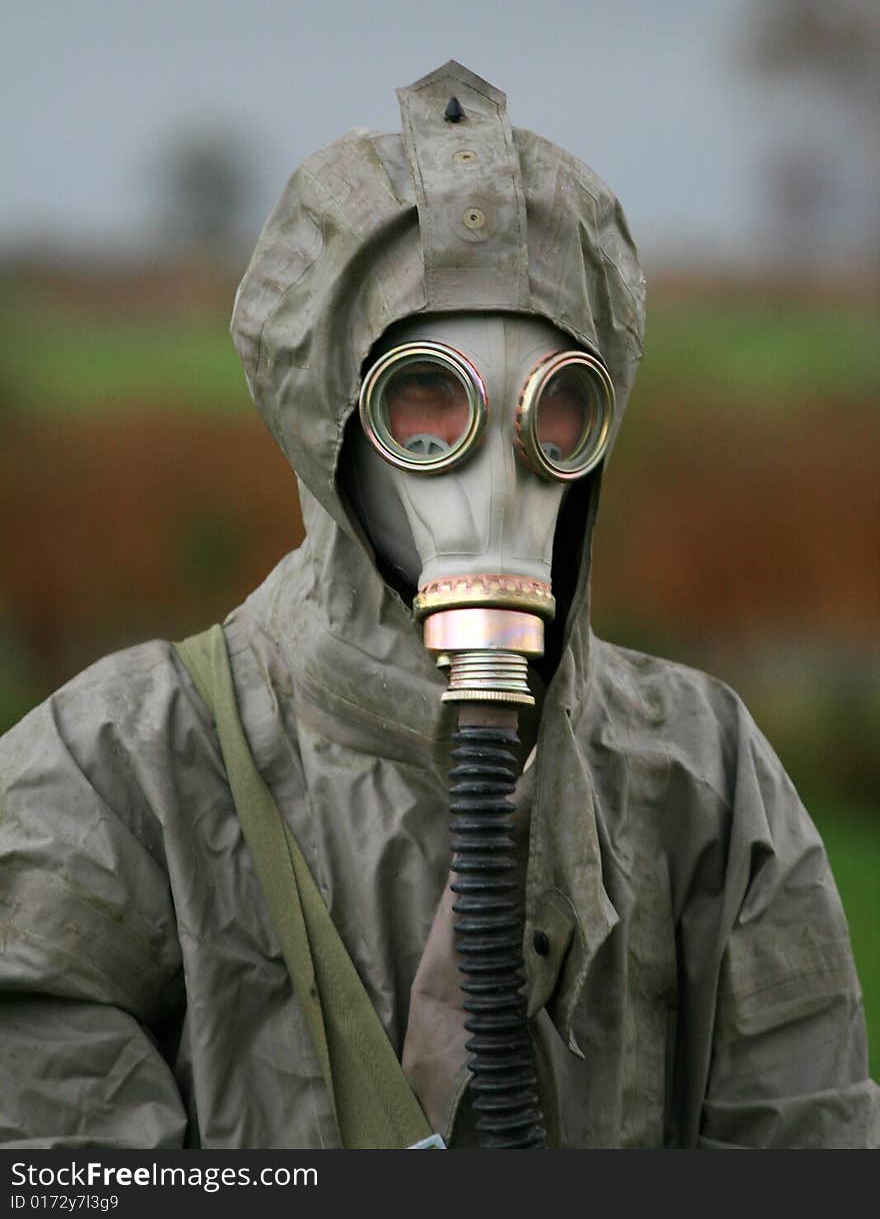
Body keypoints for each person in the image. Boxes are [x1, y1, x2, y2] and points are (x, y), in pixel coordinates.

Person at [1, 60, 877, 1150]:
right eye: (427, 398)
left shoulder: (703, 784)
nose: (497, 479)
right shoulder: (106, 779)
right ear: (330, 423)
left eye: (555, 407)